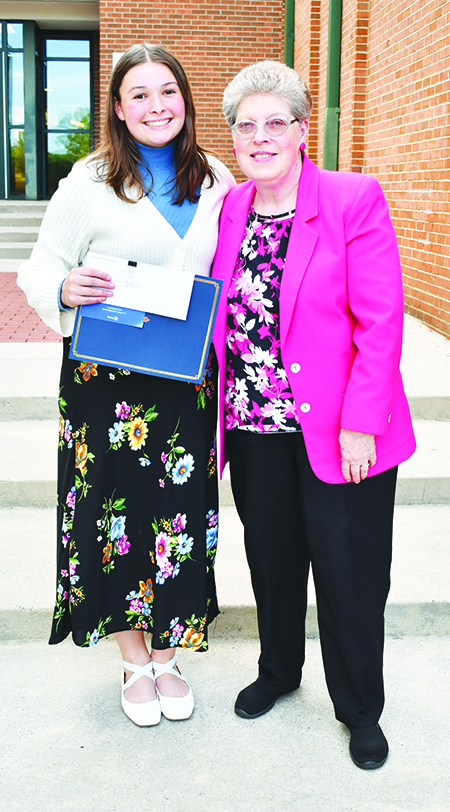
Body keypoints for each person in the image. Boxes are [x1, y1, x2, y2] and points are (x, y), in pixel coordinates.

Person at [18, 43, 234, 727]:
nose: (155, 106)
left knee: (176, 523)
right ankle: (133, 662)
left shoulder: (217, 180)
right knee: (111, 521)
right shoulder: (88, 181)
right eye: (138, 94)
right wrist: (63, 286)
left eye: (166, 91)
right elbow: (38, 269)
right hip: (104, 387)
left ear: (185, 101)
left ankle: (169, 658)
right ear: (117, 107)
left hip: (183, 383)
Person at [211, 60, 415, 769]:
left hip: (339, 432)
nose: (260, 137)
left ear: (302, 130)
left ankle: (359, 706)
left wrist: (362, 421)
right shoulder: (230, 208)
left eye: (276, 123)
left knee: (350, 572)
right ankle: (278, 671)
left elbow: (381, 321)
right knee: (271, 563)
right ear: (233, 137)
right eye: (246, 125)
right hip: (253, 427)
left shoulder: (352, 198)